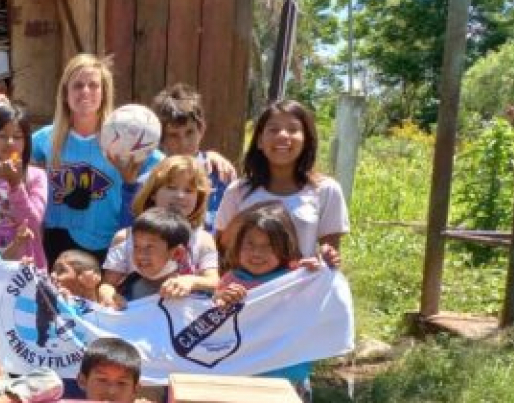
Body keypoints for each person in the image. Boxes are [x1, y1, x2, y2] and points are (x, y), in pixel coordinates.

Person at [213, 205, 324, 403]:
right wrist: (221, 301)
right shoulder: (231, 280)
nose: (257, 254)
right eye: (250, 245)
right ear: (237, 246)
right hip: (244, 378)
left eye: (267, 247)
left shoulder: (297, 277)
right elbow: (214, 327)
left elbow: (322, 293)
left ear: (285, 246)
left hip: (289, 377)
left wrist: (317, 271)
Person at [214, 100, 348, 266]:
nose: (283, 135)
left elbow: (330, 255)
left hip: (301, 288)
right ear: (259, 141)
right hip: (248, 289)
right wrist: (251, 214)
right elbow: (220, 247)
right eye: (273, 129)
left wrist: (326, 256)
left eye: (293, 129)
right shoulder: (238, 190)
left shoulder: (326, 190)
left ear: (306, 140)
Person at [31, 54, 127, 265]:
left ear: (104, 92)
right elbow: (5, 158)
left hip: (109, 242)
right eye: (77, 86)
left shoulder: (122, 139)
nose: (85, 91)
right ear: (65, 93)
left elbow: (162, 168)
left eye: (93, 85)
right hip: (56, 240)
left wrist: (204, 159)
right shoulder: (44, 139)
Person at [102, 155, 219, 299]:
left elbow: (214, 281)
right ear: (152, 193)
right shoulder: (124, 237)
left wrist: (190, 281)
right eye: (171, 188)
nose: (180, 196)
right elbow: (107, 284)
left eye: (189, 190)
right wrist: (109, 296)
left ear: (199, 198)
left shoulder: (203, 239)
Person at [0, 105, 47, 267]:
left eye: (18, 137)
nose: (10, 142)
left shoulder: (36, 176)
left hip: (26, 266)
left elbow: (33, 222)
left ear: (27, 142)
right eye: (2, 136)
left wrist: (15, 185)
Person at [151, 83, 236, 229]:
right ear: (161, 137)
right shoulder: (154, 174)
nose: (183, 143)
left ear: (201, 130)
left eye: (189, 133)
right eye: (173, 135)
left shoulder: (219, 173)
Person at [109, 208, 192, 304]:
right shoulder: (123, 291)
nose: (140, 255)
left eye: (149, 247)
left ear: (177, 253)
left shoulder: (194, 296)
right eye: (136, 246)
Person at [75, 337, 151, 403]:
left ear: (135, 389)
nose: (111, 391)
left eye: (121, 383)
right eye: (102, 380)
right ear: (83, 381)